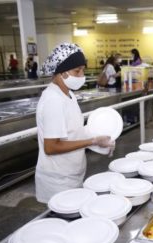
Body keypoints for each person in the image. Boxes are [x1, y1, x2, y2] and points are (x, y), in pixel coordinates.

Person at [36, 43, 115, 203]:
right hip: (58, 181)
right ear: (62, 72)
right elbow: (51, 147)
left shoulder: (68, 95)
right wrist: (91, 141)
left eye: (82, 70)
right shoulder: (53, 100)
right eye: (77, 71)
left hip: (72, 174)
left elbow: (74, 131)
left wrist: (98, 139)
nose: (81, 75)